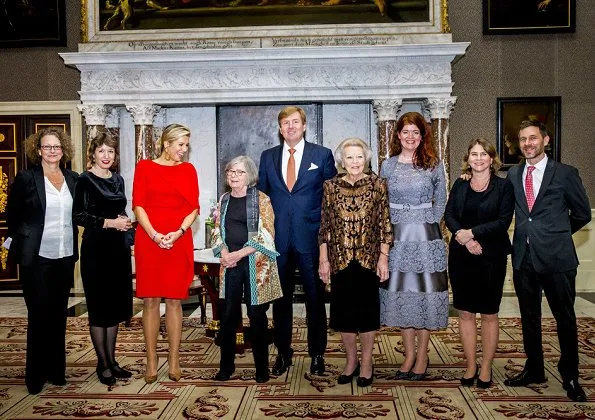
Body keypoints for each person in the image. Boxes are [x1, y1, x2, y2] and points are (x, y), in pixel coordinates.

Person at [503, 120, 591, 402]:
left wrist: (557, 235)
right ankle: (535, 368)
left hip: (557, 259)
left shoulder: (565, 173)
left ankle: (571, 374)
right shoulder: (514, 174)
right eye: (522, 139)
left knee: (565, 318)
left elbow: (582, 214)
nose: (527, 143)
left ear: (545, 140)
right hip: (524, 258)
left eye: (532, 138)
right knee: (529, 318)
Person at [257, 106, 337, 376]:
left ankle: (317, 354)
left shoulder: (321, 155)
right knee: (281, 300)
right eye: (285, 124)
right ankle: (283, 352)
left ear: (304, 126)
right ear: (280, 129)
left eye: (294, 123)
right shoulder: (267, 157)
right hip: (278, 241)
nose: (290, 127)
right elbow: (262, 201)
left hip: (311, 239)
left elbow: (331, 198)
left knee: (315, 298)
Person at [6, 127, 78, 394]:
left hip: (64, 256)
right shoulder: (26, 178)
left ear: (63, 150)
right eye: (47, 147)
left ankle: (56, 370)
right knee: (38, 315)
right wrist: (23, 238)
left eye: (56, 146)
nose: (52, 151)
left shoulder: (73, 178)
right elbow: (12, 215)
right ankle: (35, 376)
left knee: (58, 315)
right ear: (38, 151)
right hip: (36, 257)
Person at [379, 111, 448, 381]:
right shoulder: (388, 165)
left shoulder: (433, 164)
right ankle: (408, 355)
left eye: (415, 132)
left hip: (424, 237)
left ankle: (422, 355)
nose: (410, 137)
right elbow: (381, 201)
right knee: (402, 294)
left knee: (424, 294)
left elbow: (441, 199)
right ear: (398, 135)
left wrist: (428, 219)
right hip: (396, 238)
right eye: (405, 132)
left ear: (422, 136)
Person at [318, 138, 392, 387]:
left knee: (367, 315)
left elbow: (385, 224)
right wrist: (323, 259)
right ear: (342, 160)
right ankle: (351, 362)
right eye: (349, 157)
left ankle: (368, 363)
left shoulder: (378, 185)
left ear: (366, 158)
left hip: (368, 260)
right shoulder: (330, 186)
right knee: (344, 316)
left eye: (359, 157)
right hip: (339, 260)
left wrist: (384, 257)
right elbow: (324, 226)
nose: (355, 162)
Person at [444, 138, 514, 389]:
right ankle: (471, 364)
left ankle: (486, 367)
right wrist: (462, 237)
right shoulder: (460, 184)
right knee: (464, 312)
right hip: (461, 256)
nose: (479, 158)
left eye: (484, 154)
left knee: (489, 313)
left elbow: (504, 220)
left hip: (491, 256)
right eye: (474, 154)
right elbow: (448, 214)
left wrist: (471, 233)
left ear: (492, 158)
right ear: (468, 158)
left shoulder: (504, 187)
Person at [132, 123, 200, 383]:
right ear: (166, 144)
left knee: (174, 300)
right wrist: (154, 234)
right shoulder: (145, 167)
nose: (184, 150)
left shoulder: (188, 170)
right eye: (180, 145)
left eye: (186, 145)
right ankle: (151, 360)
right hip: (150, 240)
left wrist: (179, 232)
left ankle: (173, 359)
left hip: (178, 240)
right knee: (150, 300)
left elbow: (193, 206)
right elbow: (138, 204)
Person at [211, 156, 282, 384]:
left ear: (249, 176)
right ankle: (226, 367)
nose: (234, 176)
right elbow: (216, 229)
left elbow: (267, 233)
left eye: (239, 172)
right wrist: (223, 252)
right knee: (228, 315)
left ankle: (262, 368)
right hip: (229, 264)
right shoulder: (224, 199)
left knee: (256, 315)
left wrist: (239, 254)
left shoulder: (261, 200)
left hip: (254, 263)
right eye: (231, 171)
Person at [73, 131, 134, 386]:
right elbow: (79, 215)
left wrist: (126, 223)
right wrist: (110, 222)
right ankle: (102, 363)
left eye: (110, 151)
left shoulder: (117, 179)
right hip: (96, 250)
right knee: (99, 309)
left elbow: (120, 208)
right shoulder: (84, 181)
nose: (106, 155)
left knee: (115, 307)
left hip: (117, 251)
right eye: (101, 151)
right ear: (93, 154)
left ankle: (112, 359)